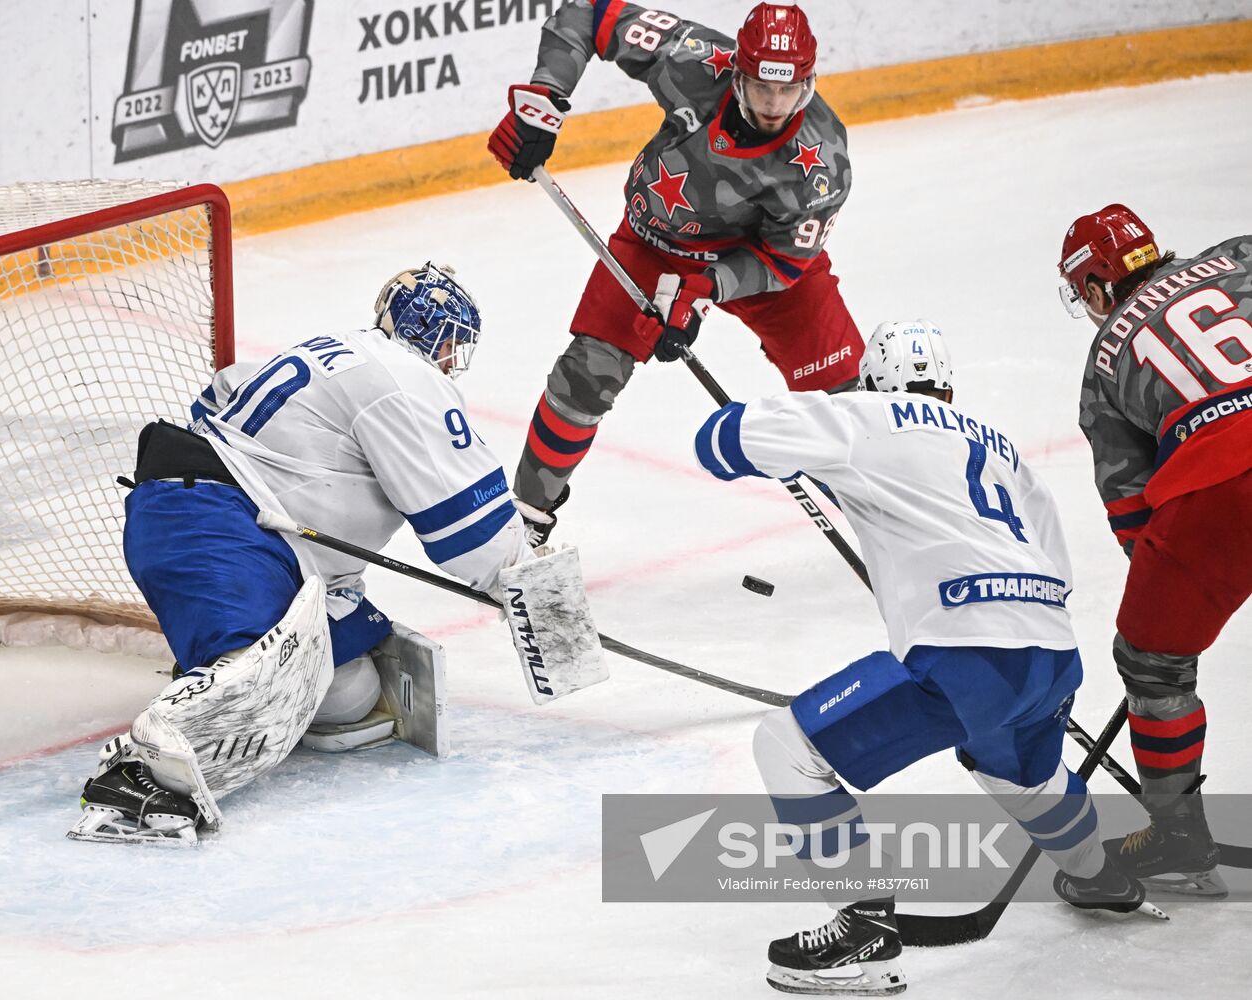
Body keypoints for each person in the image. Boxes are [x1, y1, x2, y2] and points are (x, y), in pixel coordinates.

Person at [695, 322, 1157, 996]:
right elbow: (1053, 563)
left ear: (874, 379)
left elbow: (722, 443)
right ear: (946, 385)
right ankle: (1096, 876)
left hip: (962, 657)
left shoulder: (861, 414)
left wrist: (760, 436)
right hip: (1050, 651)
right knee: (1019, 771)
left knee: (787, 747)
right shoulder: (999, 448)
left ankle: (864, 933)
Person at [69, 263, 536, 845]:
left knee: (350, 695)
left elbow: (215, 400)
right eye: (451, 346)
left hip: (209, 518)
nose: (450, 360)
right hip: (213, 526)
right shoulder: (405, 380)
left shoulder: (335, 351)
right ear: (439, 342)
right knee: (253, 687)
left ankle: (228, 661)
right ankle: (135, 775)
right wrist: (525, 582)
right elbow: (478, 539)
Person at [489, 0, 862, 543]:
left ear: (807, 83)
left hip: (758, 262)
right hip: (656, 245)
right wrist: (544, 99)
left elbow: (784, 261)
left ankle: (897, 520)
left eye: (789, 90)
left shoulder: (822, 161)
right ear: (737, 72)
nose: (775, 105)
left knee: (846, 399)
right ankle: (524, 520)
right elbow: (590, 13)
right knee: (585, 377)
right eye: (762, 88)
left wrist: (704, 290)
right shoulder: (695, 58)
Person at [1058, 206, 1252, 896]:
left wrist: (1170, 605)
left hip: (1223, 485)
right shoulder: (1237, 253)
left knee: (1151, 661)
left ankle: (1175, 833)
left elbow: (1133, 513)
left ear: (1089, 290)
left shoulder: (1104, 357)